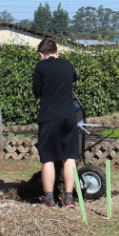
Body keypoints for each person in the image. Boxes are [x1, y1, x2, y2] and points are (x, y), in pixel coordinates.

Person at [32, 37, 79, 208]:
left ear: (40, 54)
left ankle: (50, 199)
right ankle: (68, 198)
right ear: (57, 52)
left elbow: (37, 91)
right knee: (69, 157)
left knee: (49, 159)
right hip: (69, 117)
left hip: (49, 117)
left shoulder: (40, 67)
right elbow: (74, 79)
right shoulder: (68, 65)